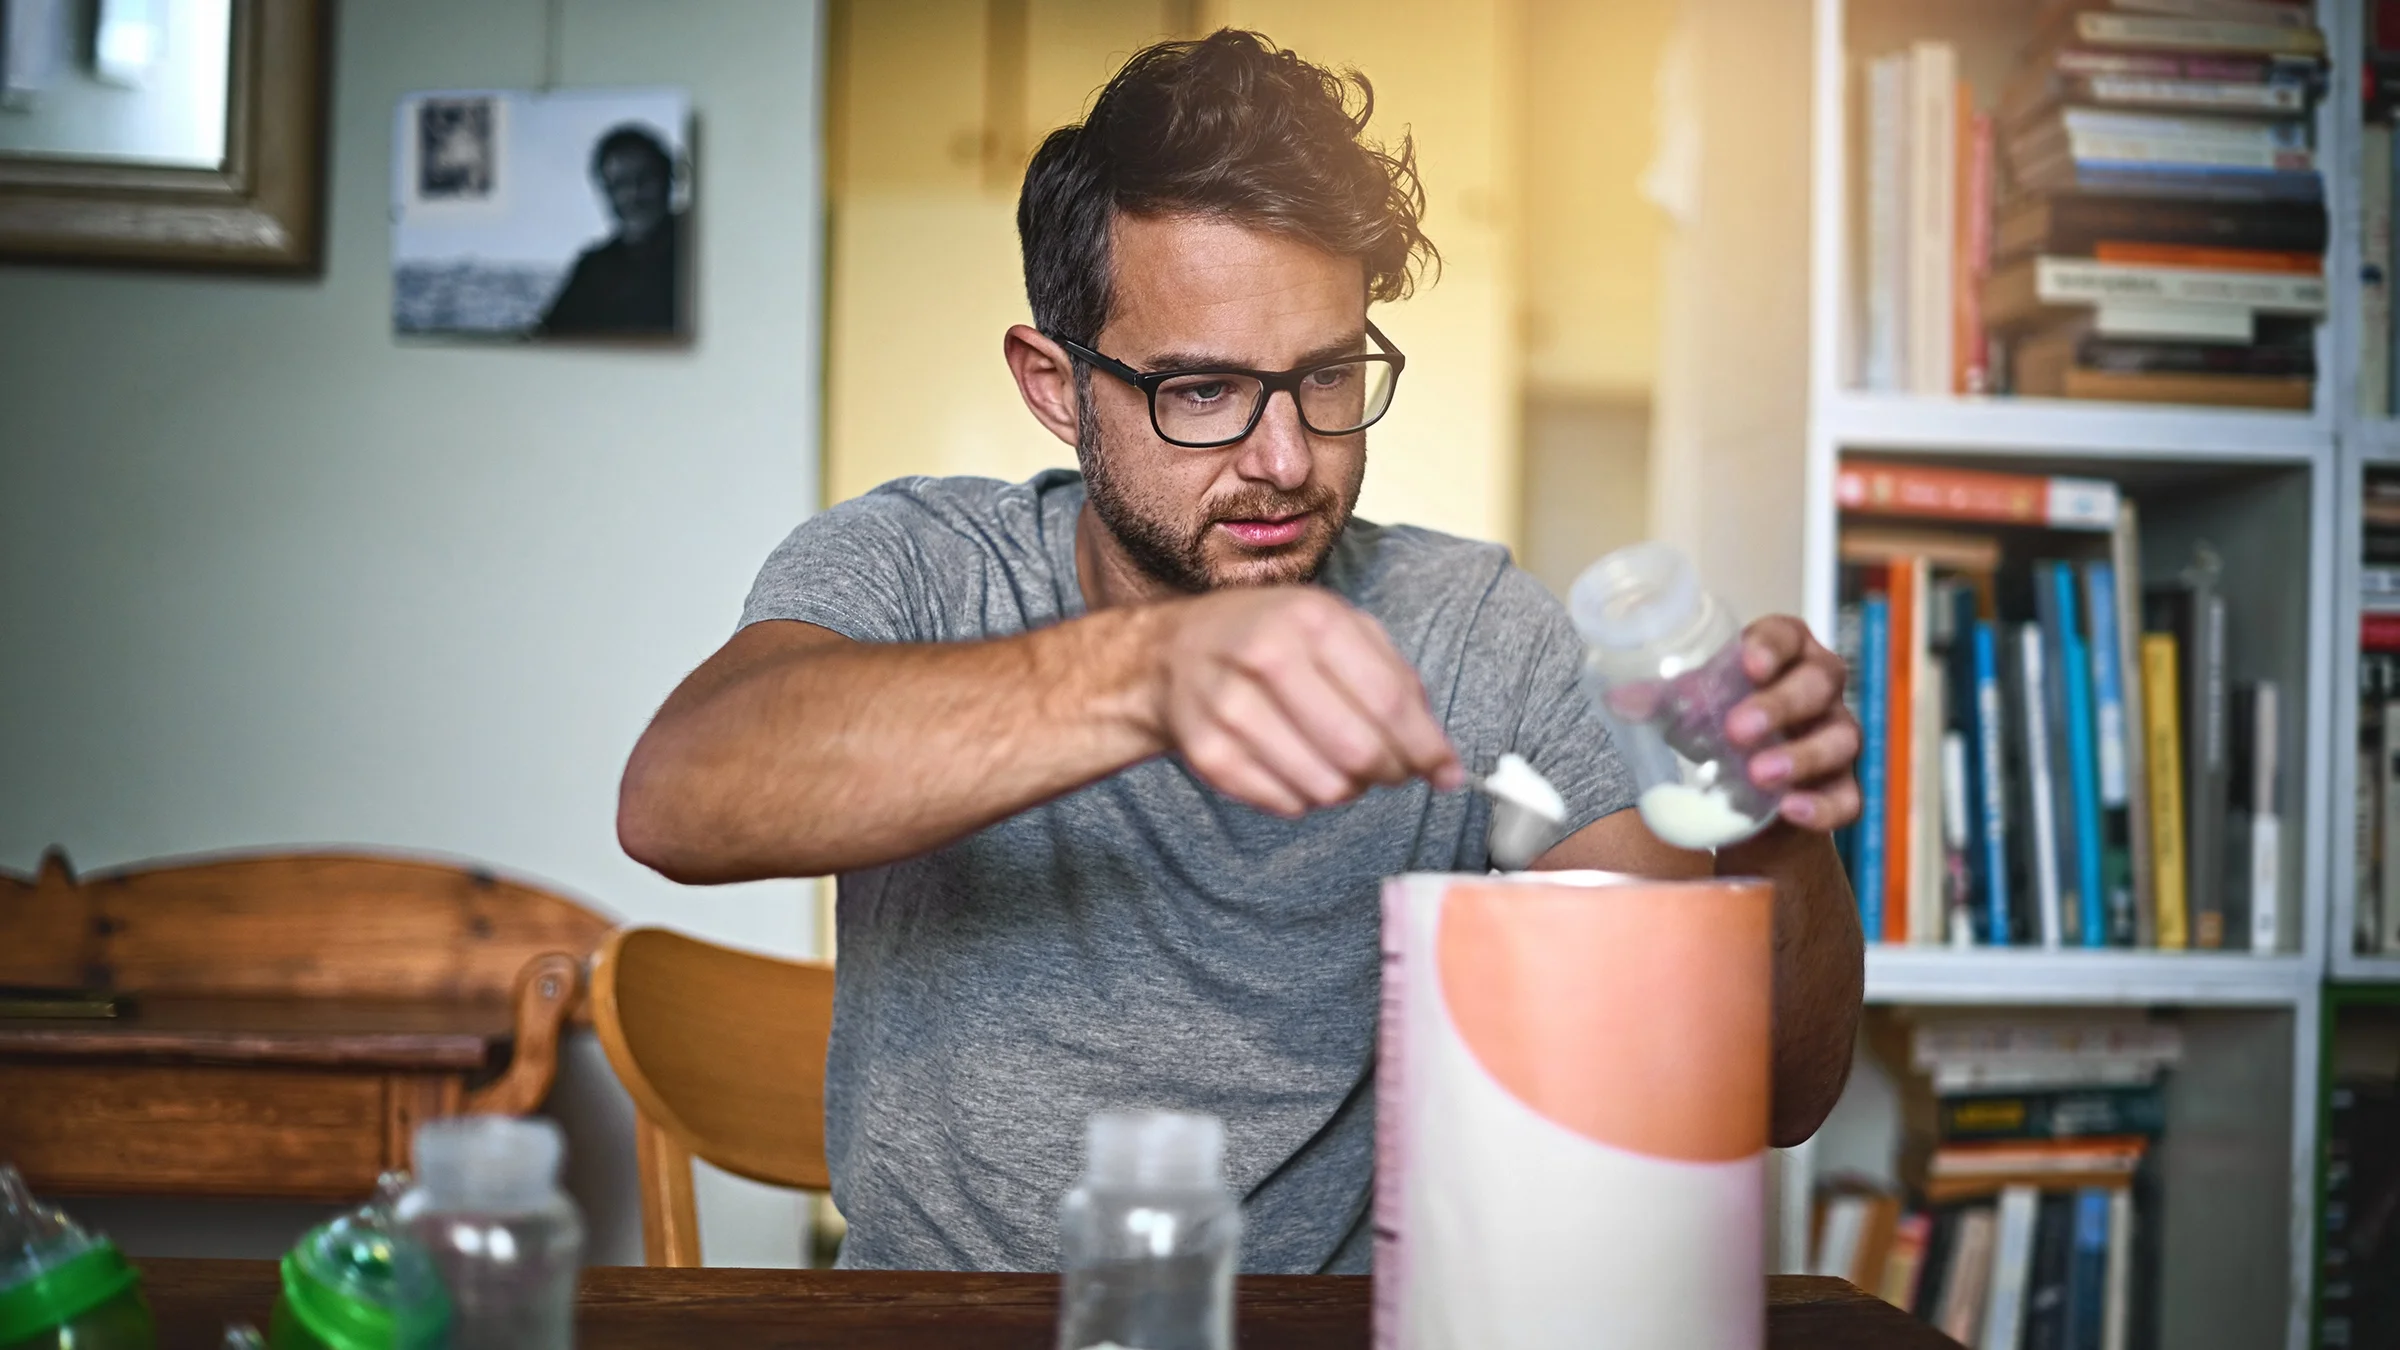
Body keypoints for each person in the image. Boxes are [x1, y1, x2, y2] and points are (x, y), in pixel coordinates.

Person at [618, 30, 1864, 1273]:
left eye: (1325, 376)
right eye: (1202, 391)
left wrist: (1765, 820)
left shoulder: (1475, 627)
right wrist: (1150, 672)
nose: (1284, 457)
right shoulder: (921, 565)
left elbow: (1763, 1097)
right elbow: (679, 799)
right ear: (1055, 384)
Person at [537, 124, 682, 336]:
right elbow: (548, 339)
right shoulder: (593, 268)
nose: (634, 194)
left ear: (669, 179)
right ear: (605, 193)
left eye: (645, 179)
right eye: (620, 184)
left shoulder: (701, 249)